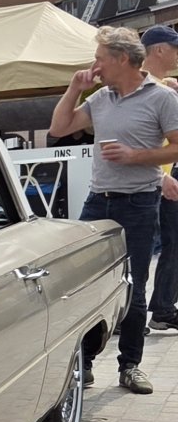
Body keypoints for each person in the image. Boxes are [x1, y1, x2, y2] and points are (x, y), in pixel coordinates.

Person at [49, 25, 178, 394]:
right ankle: (84, 364)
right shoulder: (101, 97)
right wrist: (75, 87)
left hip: (139, 202)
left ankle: (130, 366)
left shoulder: (162, 97)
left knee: (133, 285)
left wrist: (137, 156)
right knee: (84, 284)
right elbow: (60, 127)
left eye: (100, 59)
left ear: (122, 59)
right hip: (98, 200)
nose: (96, 65)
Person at [140, 25, 178, 330]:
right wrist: (159, 176)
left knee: (172, 242)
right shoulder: (140, 85)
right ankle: (130, 312)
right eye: (174, 47)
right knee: (141, 250)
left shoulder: (164, 88)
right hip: (148, 182)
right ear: (159, 50)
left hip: (165, 177)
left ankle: (163, 308)